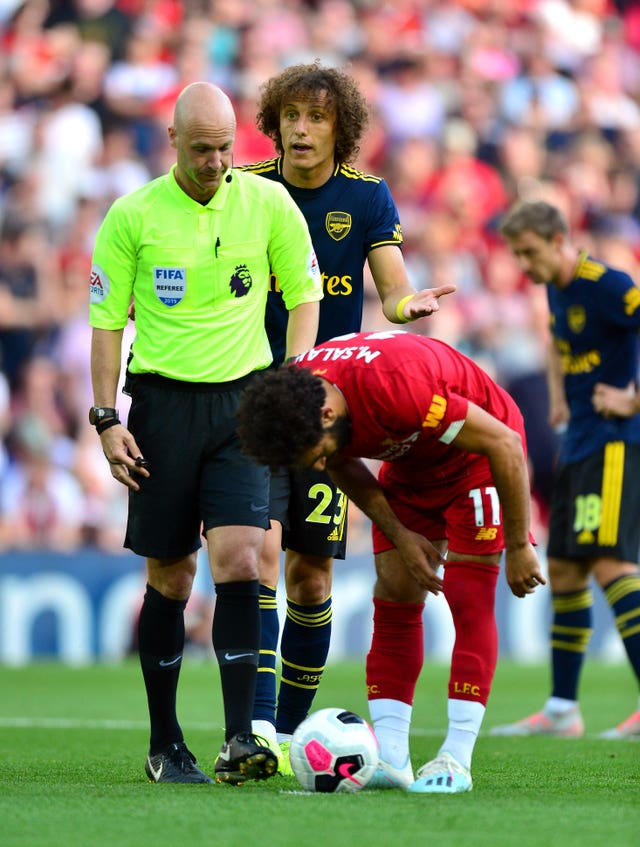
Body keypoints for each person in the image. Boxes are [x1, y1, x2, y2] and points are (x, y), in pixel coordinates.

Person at [89, 81, 323, 784]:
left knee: (243, 561)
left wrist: (294, 380)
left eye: (226, 147)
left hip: (243, 406)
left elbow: (304, 293)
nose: (217, 161)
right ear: (174, 143)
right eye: (202, 149)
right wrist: (106, 418)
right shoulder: (132, 216)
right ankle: (166, 741)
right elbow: (106, 325)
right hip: (161, 405)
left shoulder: (268, 202)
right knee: (171, 573)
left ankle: (239, 739)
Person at [240, 61, 455, 774]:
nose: (301, 129)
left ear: (342, 128)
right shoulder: (247, 188)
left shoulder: (365, 199)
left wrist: (407, 306)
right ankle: (260, 728)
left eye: (317, 117)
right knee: (261, 558)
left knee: (311, 579)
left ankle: (290, 730)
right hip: (255, 402)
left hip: (327, 413)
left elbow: (390, 291)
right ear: (275, 124)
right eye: (291, 116)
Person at [236, 330, 545, 793]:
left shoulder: (395, 387)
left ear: (327, 414)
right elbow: (338, 463)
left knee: (467, 597)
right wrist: (401, 536)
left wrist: (519, 544)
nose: (318, 466)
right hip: (414, 460)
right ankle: (393, 759)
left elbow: (503, 443)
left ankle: (456, 759)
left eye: (316, 455)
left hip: (480, 455)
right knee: (395, 594)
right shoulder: (300, 393)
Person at [492, 200, 640, 740]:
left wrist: (633, 398)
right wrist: (557, 396)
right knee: (567, 571)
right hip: (579, 440)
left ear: (558, 241)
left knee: (609, 564)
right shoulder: (557, 285)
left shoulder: (609, 284)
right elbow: (558, 338)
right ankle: (561, 711)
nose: (523, 265)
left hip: (616, 442)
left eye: (529, 253)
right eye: (517, 254)